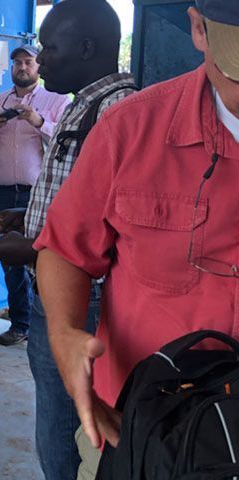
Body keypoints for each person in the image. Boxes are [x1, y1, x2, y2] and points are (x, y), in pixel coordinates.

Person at [34, 1, 239, 478]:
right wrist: (63, 335)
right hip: (141, 431)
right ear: (198, 30)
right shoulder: (130, 129)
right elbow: (65, 250)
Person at [0, 1, 137, 478]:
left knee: (66, 421)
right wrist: (27, 220)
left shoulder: (115, 112)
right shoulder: (85, 106)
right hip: (55, 279)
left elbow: (114, 231)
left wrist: (32, 250)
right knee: (57, 410)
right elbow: (75, 203)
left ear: (87, 48)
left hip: (80, 296)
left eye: (50, 47)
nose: (40, 59)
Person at [0, 44, 71, 347]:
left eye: (28, 62)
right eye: (17, 63)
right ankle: (20, 324)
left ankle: (50, 326)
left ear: (38, 66)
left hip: (40, 194)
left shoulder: (57, 100)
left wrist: (38, 121)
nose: (22, 68)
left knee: (42, 257)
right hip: (3, 191)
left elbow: (67, 143)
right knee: (10, 259)